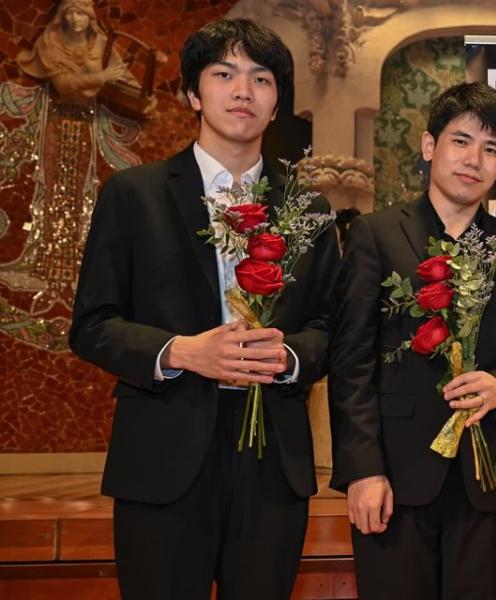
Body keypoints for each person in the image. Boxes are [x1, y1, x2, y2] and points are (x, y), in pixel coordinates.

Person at [69, 19, 340, 600]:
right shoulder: (133, 194)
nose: (243, 91)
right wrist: (181, 352)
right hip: (163, 454)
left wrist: (289, 358)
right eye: (224, 75)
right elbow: (92, 325)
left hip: (273, 461)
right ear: (194, 93)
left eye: (261, 79)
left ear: (276, 105)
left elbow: (329, 326)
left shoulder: (308, 209)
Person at [328, 82, 496, 600]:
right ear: (430, 146)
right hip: (394, 478)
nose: (473, 159)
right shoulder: (375, 235)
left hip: (485, 479)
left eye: (490, 150)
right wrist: (363, 471)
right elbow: (351, 360)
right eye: (461, 141)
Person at [17, 0, 134, 101]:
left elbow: (121, 73)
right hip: (58, 104)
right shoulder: (50, 43)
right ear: (62, 16)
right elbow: (62, 85)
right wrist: (101, 77)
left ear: (90, 16)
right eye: (69, 13)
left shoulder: (100, 42)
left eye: (80, 13)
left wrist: (140, 95)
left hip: (96, 108)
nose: (75, 19)